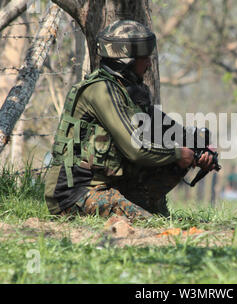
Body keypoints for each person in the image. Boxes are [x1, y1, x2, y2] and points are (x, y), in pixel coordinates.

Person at [44, 20, 215, 222]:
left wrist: (201, 148)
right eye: (145, 58)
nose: (149, 64)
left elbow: (169, 130)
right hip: (75, 195)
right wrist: (180, 153)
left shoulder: (131, 93)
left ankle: (151, 208)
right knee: (151, 225)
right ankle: (148, 216)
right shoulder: (101, 90)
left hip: (109, 187)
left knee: (178, 157)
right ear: (126, 60)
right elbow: (136, 148)